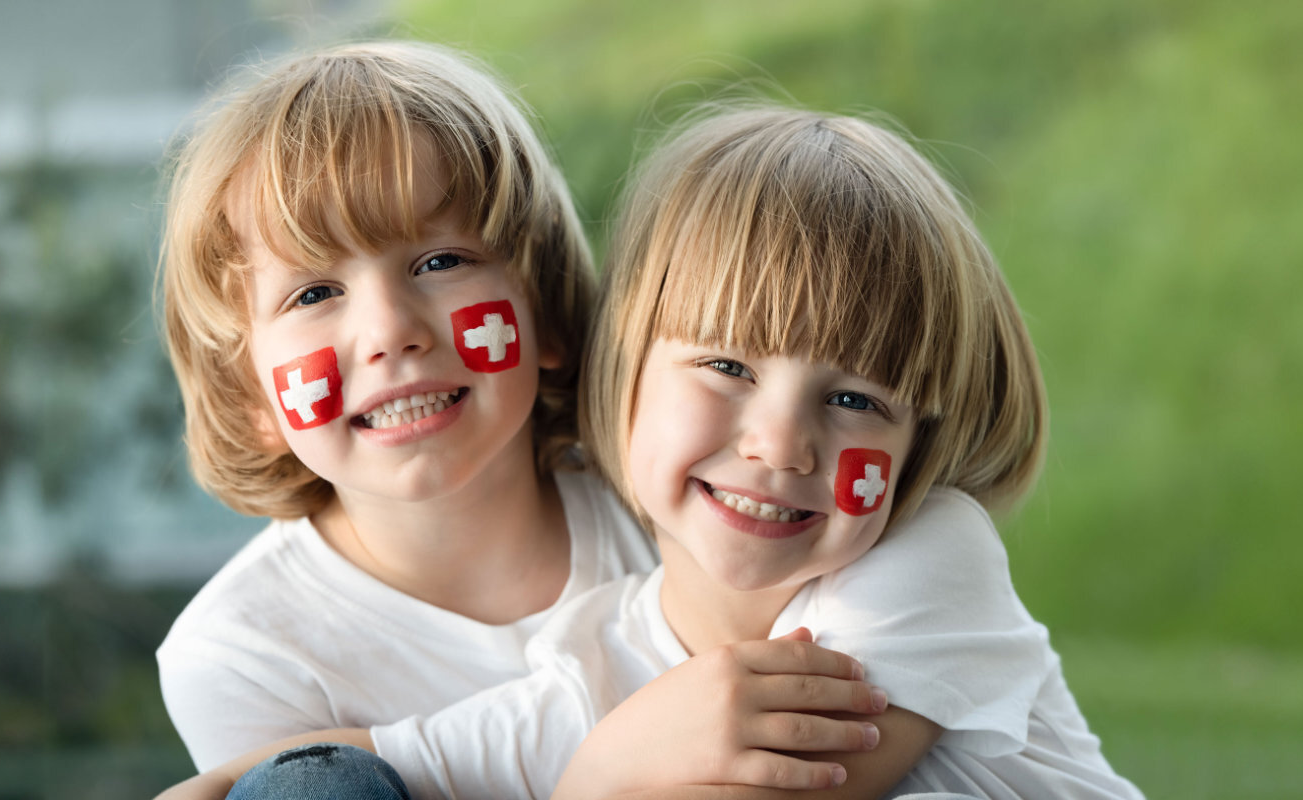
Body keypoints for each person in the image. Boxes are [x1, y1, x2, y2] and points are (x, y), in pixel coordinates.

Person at [182, 105, 1145, 799]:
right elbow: (434, 753)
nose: (777, 442)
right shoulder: (594, 657)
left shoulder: (928, 558)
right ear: (626, 374)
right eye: (727, 365)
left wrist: (603, 774)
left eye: (854, 399)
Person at [154, 43, 884, 794]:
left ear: (546, 307)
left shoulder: (684, 496)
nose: (388, 331)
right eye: (312, 294)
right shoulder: (244, 655)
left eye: (440, 262)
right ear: (249, 397)